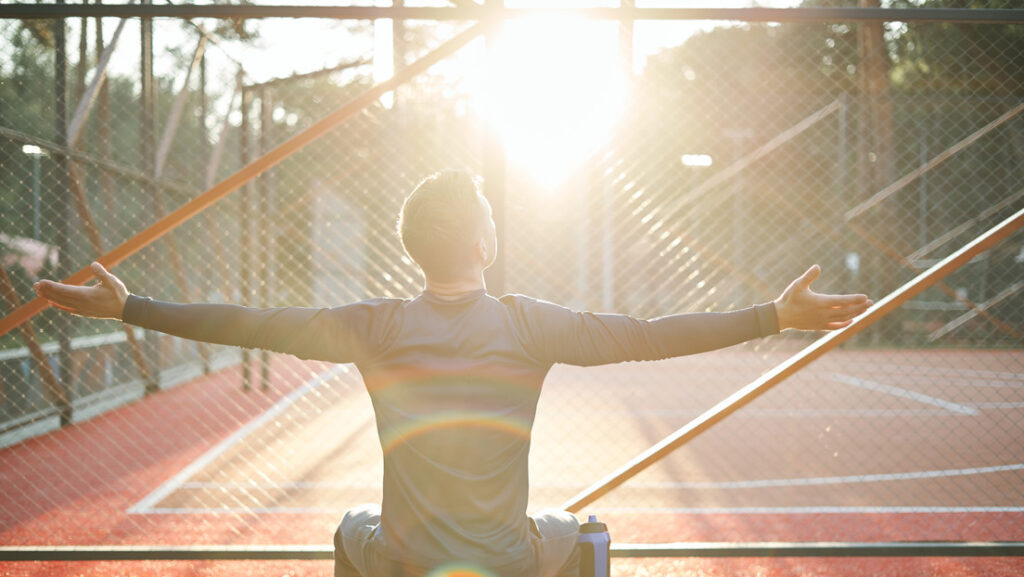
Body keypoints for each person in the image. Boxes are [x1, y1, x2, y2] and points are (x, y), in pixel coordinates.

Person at [35, 170, 872, 577]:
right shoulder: (526, 321)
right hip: (508, 561)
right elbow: (650, 336)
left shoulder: (374, 326)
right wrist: (774, 316)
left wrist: (128, 306)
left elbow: (247, 321)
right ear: (482, 241)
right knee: (588, 536)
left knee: (347, 531)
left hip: (401, 560)